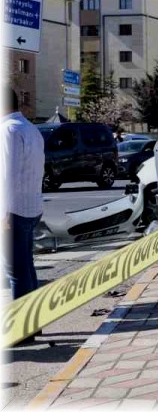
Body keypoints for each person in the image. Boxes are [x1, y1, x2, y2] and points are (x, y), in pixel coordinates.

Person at [2, 89, 45, 343]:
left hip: (14, 210)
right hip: (31, 206)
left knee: (16, 270)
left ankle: (21, 330)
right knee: (26, 266)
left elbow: (7, 176)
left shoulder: (8, 130)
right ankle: (33, 323)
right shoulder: (31, 128)